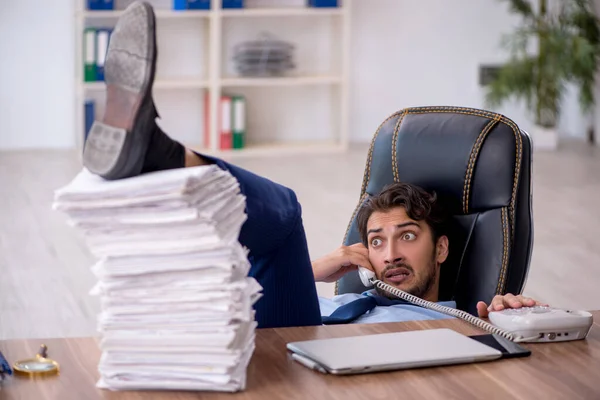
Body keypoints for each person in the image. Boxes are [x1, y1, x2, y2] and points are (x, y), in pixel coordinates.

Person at [83, 2, 545, 329]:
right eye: (376, 241)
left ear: (442, 249)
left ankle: (158, 152)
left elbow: (521, 344)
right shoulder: (349, 298)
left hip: (337, 356)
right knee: (222, 270)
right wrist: (325, 265)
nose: (390, 255)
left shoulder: (458, 325)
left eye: (408, 235)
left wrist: (513, 316)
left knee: (282, 215)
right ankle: (150, 159)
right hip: (301, 336)